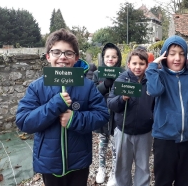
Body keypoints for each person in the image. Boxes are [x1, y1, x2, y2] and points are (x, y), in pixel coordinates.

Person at [16, 28, 109, 186]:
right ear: (48, 56)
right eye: (56, 52)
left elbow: (102, 114)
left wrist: (74, 119)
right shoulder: (36, 87)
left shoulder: (86, 86)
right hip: (49, 162)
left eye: (68, 53)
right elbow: (24, 121)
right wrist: (54, 105)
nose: (62, 57)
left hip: (79, 161)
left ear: (76, 57)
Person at [145, 36, 188, 186]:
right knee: (163, 180)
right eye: (172, 53)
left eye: (181, 53)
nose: (177, 58)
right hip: (164, 139)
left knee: (186, 181)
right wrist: (153, 66)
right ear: (165, 55)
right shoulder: (159, 75)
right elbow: (154, 91)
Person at [107, 49, 154, 186]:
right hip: (123, 131)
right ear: (128, 64)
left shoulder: (150, 81)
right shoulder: (121, 80)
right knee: (122, 166)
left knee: (143, 166)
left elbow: (156, 104)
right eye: (134, 63)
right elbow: (111, 103)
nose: (137, 67)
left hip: (145, 132)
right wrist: (122, 99)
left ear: (146, 65)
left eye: (141, 63)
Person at [92, 43, 122, 186]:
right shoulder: (98, 74)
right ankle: (101, 168)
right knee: (102, 144)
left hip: (117, 116)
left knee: (115, 146)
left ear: (118, 58)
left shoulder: (122, 73)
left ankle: (114, 173)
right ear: (103, 58)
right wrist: (104, 85)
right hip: (102, 114)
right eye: (107, 56)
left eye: (114, 56)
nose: (110, 59)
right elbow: (92, 93)